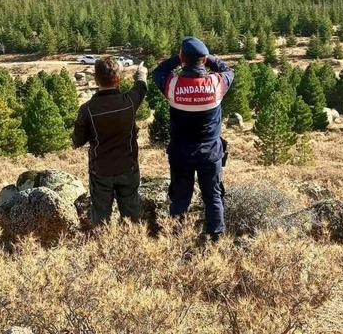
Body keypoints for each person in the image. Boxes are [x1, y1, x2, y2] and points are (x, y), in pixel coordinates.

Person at [153, 37, 234, 240]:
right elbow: (228, 71)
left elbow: (159, 72)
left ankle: (177, 239)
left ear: (183, 58)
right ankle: (216, 239)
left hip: (181, 152)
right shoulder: (215, 84)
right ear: (203, 58)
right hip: (210, 151)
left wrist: (177, 60)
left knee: (180, 199)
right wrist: (209, 60)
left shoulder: (173, 85)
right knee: (213, 196)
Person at [72, 57, 148, 225]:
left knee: (101, 219)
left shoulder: (87, 109)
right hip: (128, 167)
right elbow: (141, 87)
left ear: (95, 79)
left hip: (101, 170)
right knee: (131, 217)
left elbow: (77, 141)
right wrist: (141, 74)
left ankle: (104, 246)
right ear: (118, 79)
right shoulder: (129, 101)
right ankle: (133, 244)